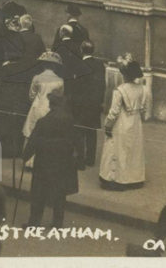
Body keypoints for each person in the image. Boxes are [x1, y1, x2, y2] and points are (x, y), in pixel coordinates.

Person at [23, 89, 79, 227]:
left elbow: (33, 141)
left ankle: (34, 222)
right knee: (59, 193)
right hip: (63, 162)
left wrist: (25, 156)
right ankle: (57, 223)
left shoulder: (43, 121)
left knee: (38, 193)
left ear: (51, 104)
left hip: (44, 162)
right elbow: (76, 141)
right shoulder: (69, 120)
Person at [99, 57, 148, 190]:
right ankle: (134, 178)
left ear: (125, 75)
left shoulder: (119, 91)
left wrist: (108, 124)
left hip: (122, 122)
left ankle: (117, 179)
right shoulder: (143, 89)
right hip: (136, 122)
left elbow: (114, 111)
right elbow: (144, 109)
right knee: (133, 149)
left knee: (118, 149)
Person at [68, 40, 106, 167]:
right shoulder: (100, 65)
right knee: (91, 132)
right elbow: (102, 85)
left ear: (81, 50)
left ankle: (80, 160)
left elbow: (75, 87)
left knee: (79, 131)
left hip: (80, 104)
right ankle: (90, 159)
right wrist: (100, 101)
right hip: (94, 104)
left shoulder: (79, 65)